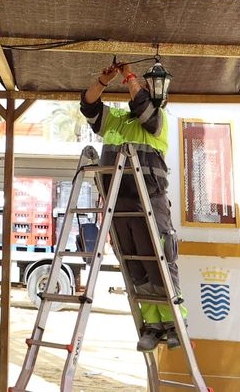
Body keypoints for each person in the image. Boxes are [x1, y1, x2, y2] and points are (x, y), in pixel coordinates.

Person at [81, 62, 178, 352]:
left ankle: (173, 322)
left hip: (150, 201)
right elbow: (89, 106)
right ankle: (153, 325)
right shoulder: (117, 121)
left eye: (146, 90)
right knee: (136, 266)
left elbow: (144, 109)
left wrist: (130, 77)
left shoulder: (158, 120)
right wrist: (103, 80)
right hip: (119, 205)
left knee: (159, 261)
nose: (142, 92)